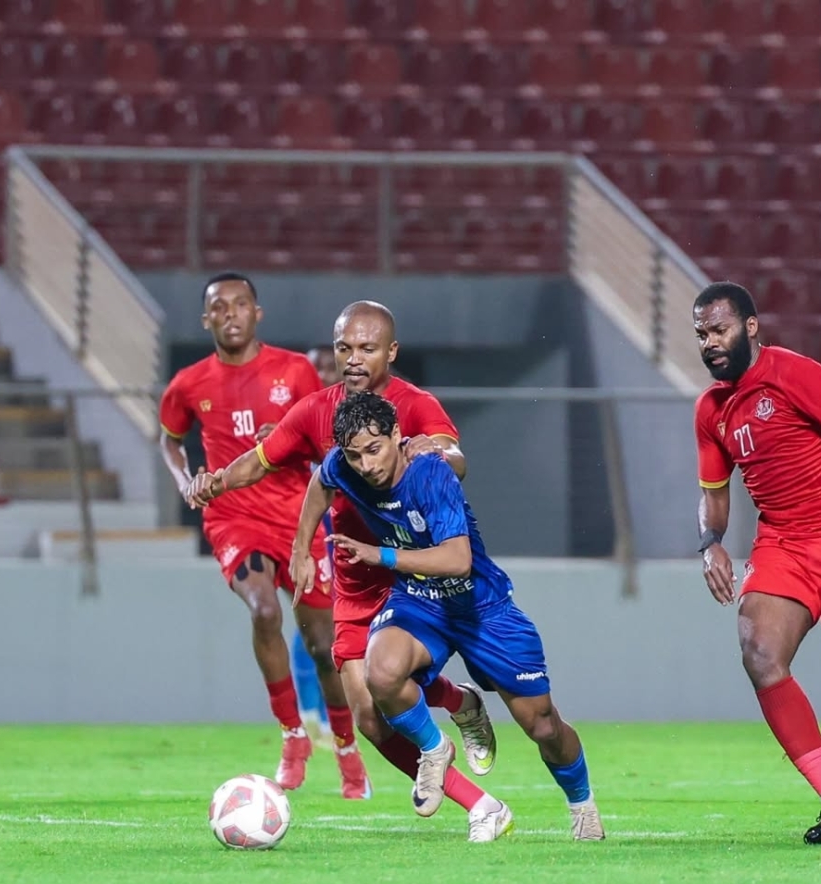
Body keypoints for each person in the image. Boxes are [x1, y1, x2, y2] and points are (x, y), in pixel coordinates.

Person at [186, 301, 510, 843]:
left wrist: (438, 452)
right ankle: (473, 763)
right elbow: (262, 459)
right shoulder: (318, 410)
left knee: (389, 686)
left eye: (366, 348)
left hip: (411, 570)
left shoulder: (416, 404)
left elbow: (456, 456)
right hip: (356, 574)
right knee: (369, 718)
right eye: (344, 348)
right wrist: (215, 483)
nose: (353, 359)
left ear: (391, 352)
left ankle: (462, 739)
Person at [294, 391, 605, 840]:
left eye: (375, 450)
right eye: (355, 455)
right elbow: (321, 481)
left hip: (482, 607)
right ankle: (435, 749)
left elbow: (458, 559)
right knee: (378, 675)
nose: (366, 465)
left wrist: (380, 554)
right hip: (420, 601)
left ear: (398, 437)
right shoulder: (345, 465)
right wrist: (301, 547)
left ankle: (582, 804)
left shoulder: (430, 474)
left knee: (542, 725)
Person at [692, 280, 821, 844]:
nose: (710, 342)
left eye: (720, 330)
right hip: (783, 544)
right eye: (702, 334)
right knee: (759, 651)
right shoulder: (711, 410)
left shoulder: (792, 373)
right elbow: (713, 494)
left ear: (750, 327)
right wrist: (710, 540)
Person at [159, 272, 370, 798]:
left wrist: (284, 441)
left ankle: (346, 749)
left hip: (296, 516)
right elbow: (170, 440)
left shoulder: (295, 370)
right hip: (232, 516)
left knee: (325, 647)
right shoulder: (188, 384)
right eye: (219, 307)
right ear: (206, 319)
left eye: (240, 304)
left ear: (258, 313)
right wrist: (186, 481)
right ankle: (293, 736)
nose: (230, 313)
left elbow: (324, 441)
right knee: (264, 611)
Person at [290, 346, 339, 748]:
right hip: (308, 531)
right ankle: (310, 712)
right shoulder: (295, 418)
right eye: (313, 367)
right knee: (311, 618)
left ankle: (327, 713)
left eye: (328, 366)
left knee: (336, 624)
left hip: (344, 533)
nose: (320, 373)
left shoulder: (348, 421)